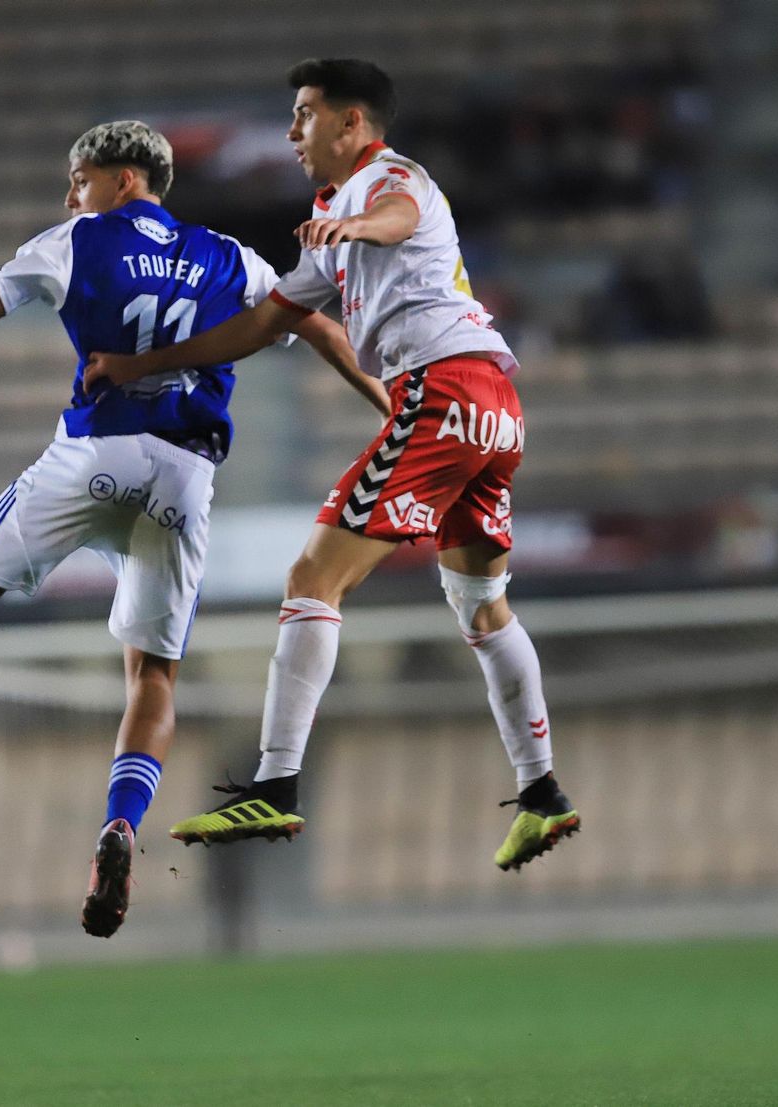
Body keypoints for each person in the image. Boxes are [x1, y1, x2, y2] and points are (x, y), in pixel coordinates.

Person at [0, 120, 387, 938]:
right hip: (183, 476)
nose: (70, 194)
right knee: (152, 678)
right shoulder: (232, 257)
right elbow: (317, 326)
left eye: (79, 176)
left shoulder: (75, 239)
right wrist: (389, 404)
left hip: (91, 454)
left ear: (125, 178)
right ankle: (121, 823)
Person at [84, 60, 579, 871]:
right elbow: (263, 323)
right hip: (492, 408)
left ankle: (275, 786)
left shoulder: (389, 179)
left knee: (314, 579)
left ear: (352, 123)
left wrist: (357, 229)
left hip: (444, 387)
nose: (291, 131)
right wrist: (145, 364)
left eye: (306, 113)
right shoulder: (327, 220)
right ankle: (543, 793)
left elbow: (397, 214)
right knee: (482, 607)